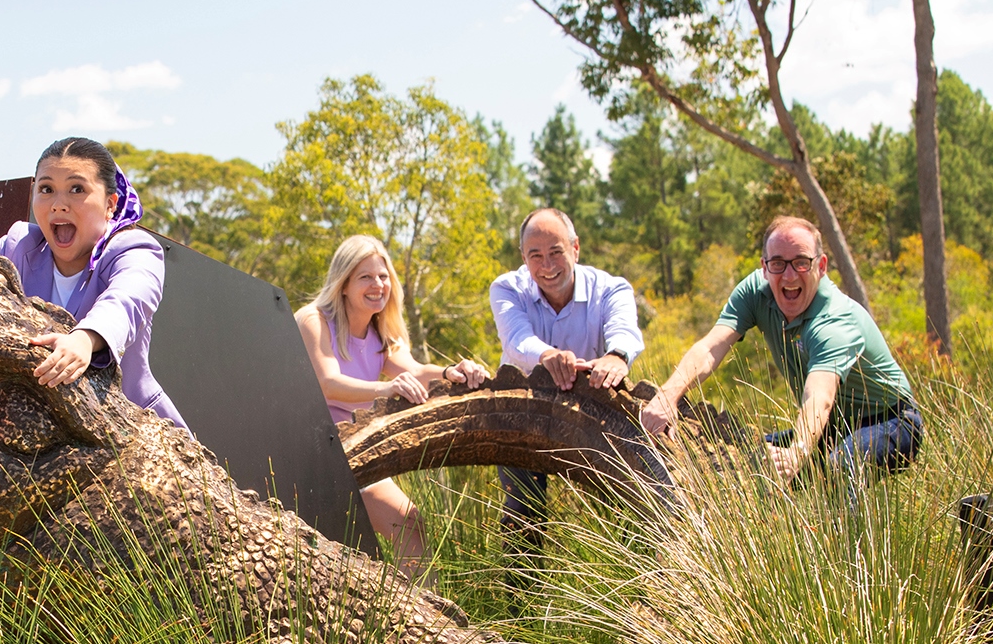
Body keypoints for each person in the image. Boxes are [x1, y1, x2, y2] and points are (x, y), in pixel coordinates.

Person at [639, 215, 921, 485]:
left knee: (842, 464)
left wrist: (797, 452)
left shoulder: (834, 321)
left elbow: (819, 397)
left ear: (821, 265)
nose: (789, 275)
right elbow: (711, 347)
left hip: (892, 421)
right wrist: (667, 396)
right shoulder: (754, 292)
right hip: (830, 426)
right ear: (764, 267)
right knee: (747, 460)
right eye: (778, 263)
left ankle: (842, 523)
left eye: (801, 263)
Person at [296, 234, 489, 572]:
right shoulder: (315, 320)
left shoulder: (381, 332)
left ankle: (419, 606)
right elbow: (328, 385)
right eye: (365, 277)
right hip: (308, 450)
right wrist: (385, 389)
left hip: (356, 450)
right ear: (343, 284)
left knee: (410, 526)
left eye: (383, 276)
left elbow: (415, 370)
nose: (378, 285)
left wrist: (451, 372)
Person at [0, 136, 187, 428]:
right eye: (46, 189)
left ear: (110, 204)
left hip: (133, 425)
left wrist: (85, 339)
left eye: (77, 189)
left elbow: (127, 300)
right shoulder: (18, 245)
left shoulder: (134, 249)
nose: (59, 205)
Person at [489, 207, 645, 556]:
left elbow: (625, 332)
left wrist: (616, 356)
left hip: (592, 414)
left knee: (623, 506)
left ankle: (626, 577)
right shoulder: (506, 288)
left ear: (575, 248)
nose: (547, 265)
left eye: (556, 252)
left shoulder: (612, 289)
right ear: (523, 258)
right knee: (523, 511)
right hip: (524, 413)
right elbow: (516, 339)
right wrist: (547, 355)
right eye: (536, 256)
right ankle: (521, 588)